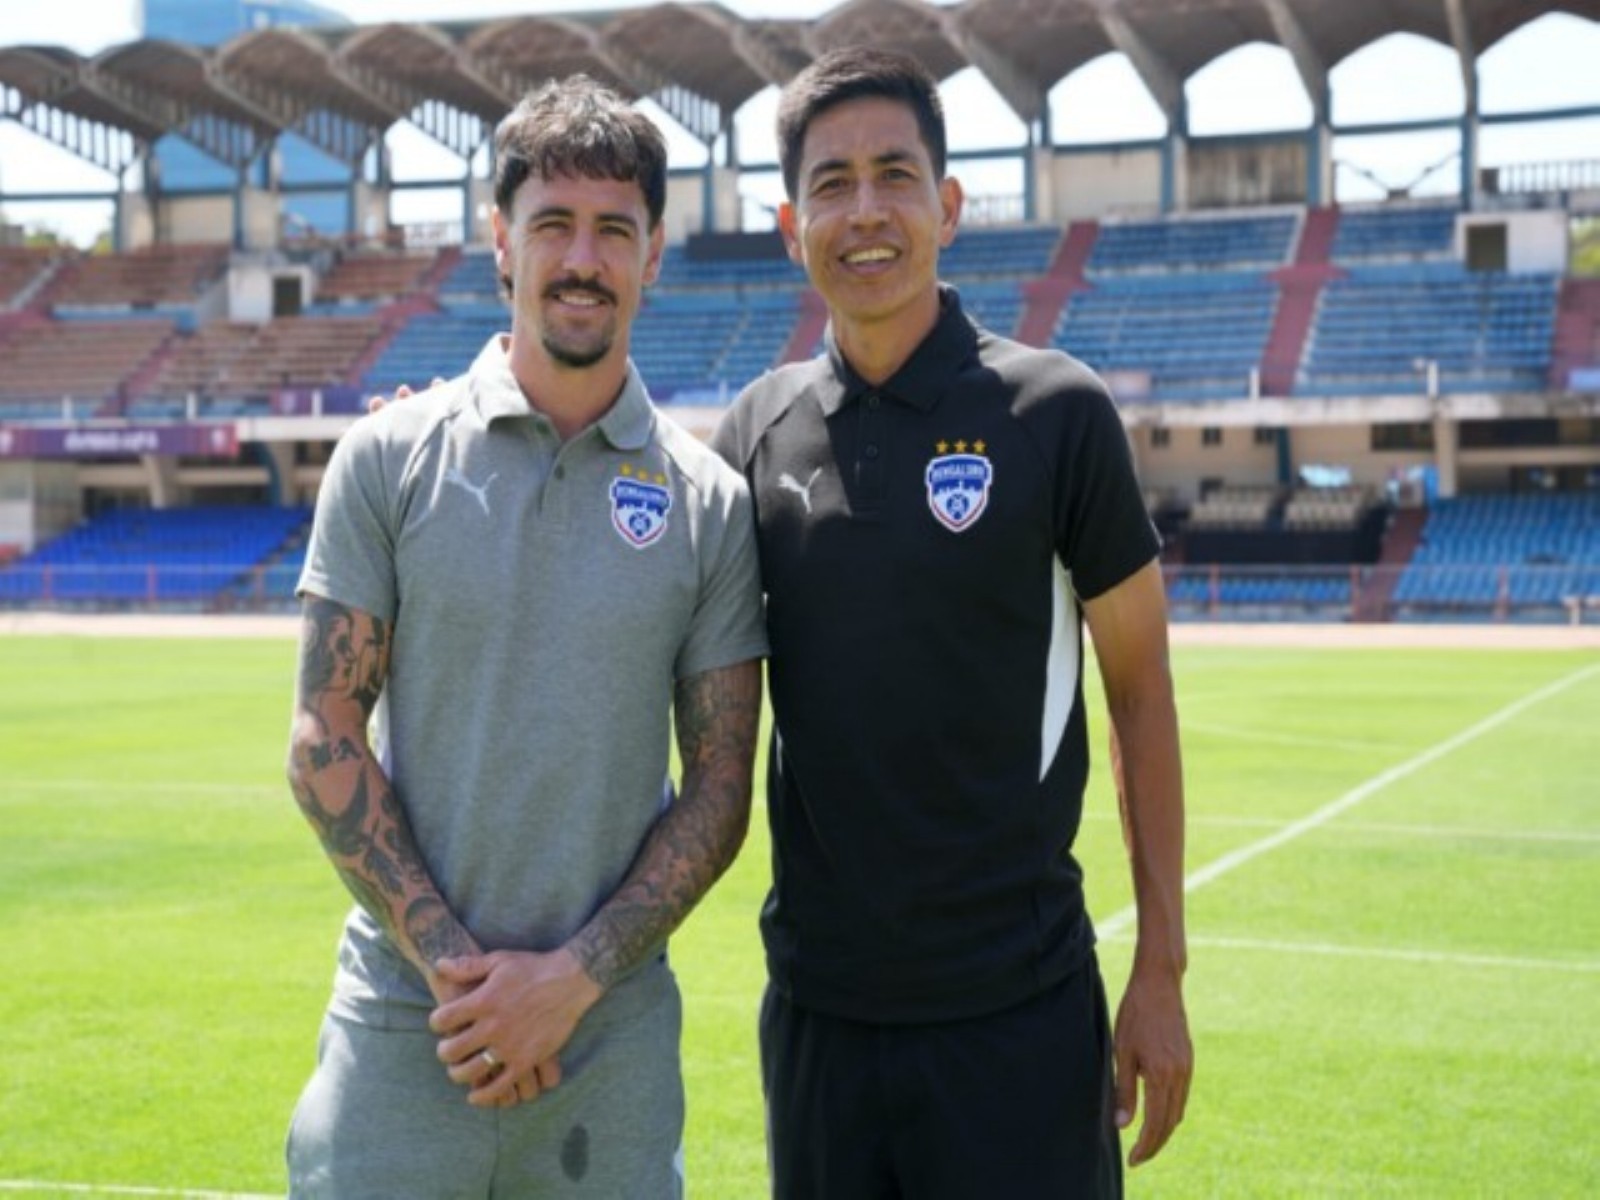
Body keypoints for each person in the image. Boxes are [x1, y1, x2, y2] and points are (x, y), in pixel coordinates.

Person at [709, 47, 1192, 1197]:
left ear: (949, 206)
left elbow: (1139, 689)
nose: (864, 211)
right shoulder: (753, 433)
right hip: (820, 1013)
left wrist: (1161, 970)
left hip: (1014, 1011)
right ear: (790, 223)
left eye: (894, 175)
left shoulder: (1054, 412)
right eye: (830, 184)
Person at [284, 75, 767, 1198]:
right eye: (553, 224)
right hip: (409, 1027)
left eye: (614, 229)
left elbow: (721, 785)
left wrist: (572, 979)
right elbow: (323, 735)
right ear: (501, 242)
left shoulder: (707, 503)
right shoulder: (389, 458)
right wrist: (467, 977)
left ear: (654, 253)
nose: (582, 257)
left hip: (612, 1044)